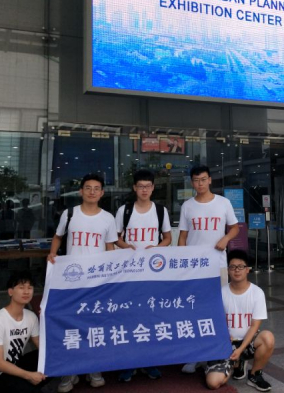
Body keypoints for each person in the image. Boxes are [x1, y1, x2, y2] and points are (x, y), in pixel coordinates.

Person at [48, 173, 117, 392]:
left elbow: (110, 248)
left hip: (97, 281)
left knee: (95, 325)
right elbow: (58, 237)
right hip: (72, 280)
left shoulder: (108, 218)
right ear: (81, 191)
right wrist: (52, 254)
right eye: (88, 188)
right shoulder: (69, 214)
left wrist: (111, 276)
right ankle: (69, 371)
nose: (92, 192)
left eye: (96, 188)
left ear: (102, 193)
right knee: (71, 324)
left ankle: (93, 368)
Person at [178, 165, 239, 374]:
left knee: (218, 309)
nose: (200, 184)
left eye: (203, 179)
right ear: (192, 183)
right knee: (194, 309)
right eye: (196, 180)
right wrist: (182, 263)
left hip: (217, 265)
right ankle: (196, 355)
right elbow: (183, 236)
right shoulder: (187, 206)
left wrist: (226, 238)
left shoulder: (223, 203)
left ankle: (216, 353)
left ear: (210, 180)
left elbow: (235, 227)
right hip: (194, 268)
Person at [114, 169, 172, 382]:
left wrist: (155, 249)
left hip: (152, 272)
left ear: (153, 188)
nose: (144, 190)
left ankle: (149, 361)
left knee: (151, 315)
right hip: (129, 272)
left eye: (148, 186)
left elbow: (168, 238)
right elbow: (115, 238)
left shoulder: (160, 211)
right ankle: (129, 362)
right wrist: (127, 247)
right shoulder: (124, 210)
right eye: (140, 186)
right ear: (134, 188)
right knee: (129, 316)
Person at [205, 250, 275, 391]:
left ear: (247, 269)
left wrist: (241, 349)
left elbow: (255, 326)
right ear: (228, 270)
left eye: (241, 266)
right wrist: (223, 336)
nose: (236, 270)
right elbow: (215, 321)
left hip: (247, 342)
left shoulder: (257, 293)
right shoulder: (220, 293)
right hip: (226, 344)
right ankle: (236, 364)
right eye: (232, 267)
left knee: (267, 337)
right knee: (213, 383)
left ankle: (254, 374)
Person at [0, 271, 48, 393]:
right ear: (10, 292)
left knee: (45, 357)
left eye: (30, 288)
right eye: (21, 287)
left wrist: (47, 319)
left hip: (14, 370)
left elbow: (42, 347)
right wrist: (29, 375)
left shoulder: (31, 317)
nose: (26, 291)